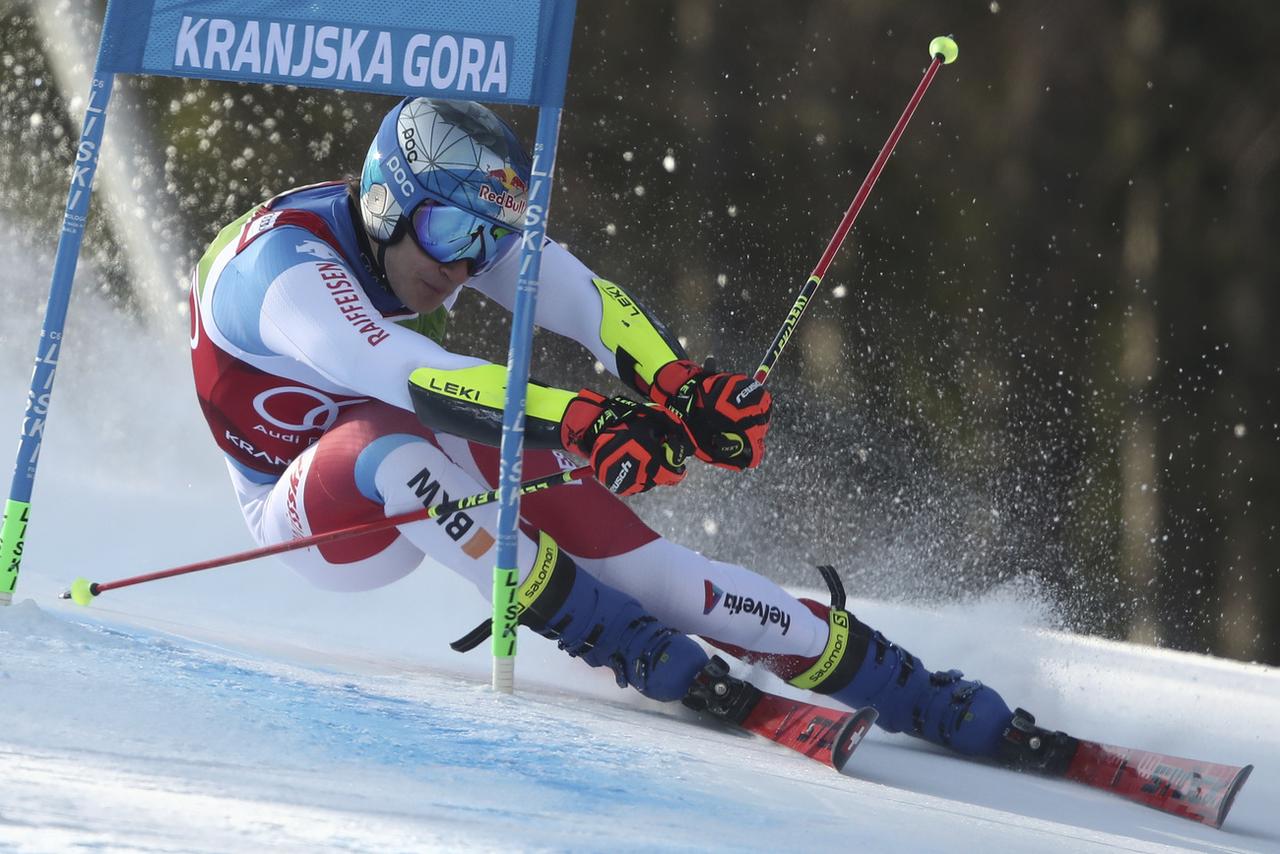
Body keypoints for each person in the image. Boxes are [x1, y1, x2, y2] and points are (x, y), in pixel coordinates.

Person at [189, 96, 1051, 765]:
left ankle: (907, 687)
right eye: (451, 231)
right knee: (397, 451)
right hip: (312, 514)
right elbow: (396, 374)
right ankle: (618, 640)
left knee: (645, 566)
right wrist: (581, 419)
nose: (460, 265)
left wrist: (680, 387)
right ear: (387, 201)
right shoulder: (281, 271)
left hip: (426, 442)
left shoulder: (437, 238)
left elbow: (580, 296)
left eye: (485, 237)